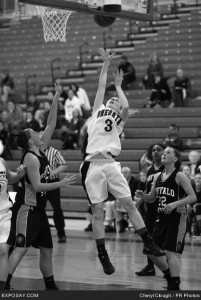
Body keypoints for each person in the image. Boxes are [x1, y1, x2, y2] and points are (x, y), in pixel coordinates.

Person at [80, 48, 165, 276]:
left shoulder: (119, 121)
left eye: (115, 101)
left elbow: (126, 107)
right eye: (112, 99)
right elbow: (100, 87)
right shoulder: (97, 111)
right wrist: (106, 65)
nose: (113, 101)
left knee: (128, 203)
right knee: (98, 211)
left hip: (110, 164)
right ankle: (103, 255)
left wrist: (119, 87)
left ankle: (148, 241)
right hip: (92, 164)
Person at [5, 83, 76, 291]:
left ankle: (50, 286)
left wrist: (56, 96)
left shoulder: (40, 147)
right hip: (28, 210)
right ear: (29, 140)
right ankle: (4, 284)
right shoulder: (31, 158)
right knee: (20, 249)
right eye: (33, 131)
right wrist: (61, 183)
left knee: (46, 249)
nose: (38, 131)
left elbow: (51, 123)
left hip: (40, 212)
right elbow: (36, 186)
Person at [135, 147, 196, 290]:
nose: (164, 154)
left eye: (168, 152)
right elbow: (151, 198)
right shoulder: (157, 176)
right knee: (150, 250)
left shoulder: (179, 175)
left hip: (177, 217)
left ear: (175, 159)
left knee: (169, 251)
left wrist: (175, 203)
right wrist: (142, 196)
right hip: (161, 218)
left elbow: (192, 196)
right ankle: (169, 274)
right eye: (164, 152)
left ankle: (174, 283)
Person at [135, 143, 165, 277]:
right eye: (153, 150)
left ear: (164, 152)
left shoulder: (168, 168)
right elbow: (148, 189)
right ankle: (150, 267)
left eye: (159, 150)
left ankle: (168, 269)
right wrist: (139, 202)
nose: (156, 152)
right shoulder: (149, 169)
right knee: (148, 239)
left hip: (164, 208)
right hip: (151, 208)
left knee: (161, 240)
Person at [0, 158, 25, 291]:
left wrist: (19, 175)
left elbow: (10, 178)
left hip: (4, 213)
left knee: (4, 250)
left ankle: (3, 288)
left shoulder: (2, 162)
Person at [44, 146, 68, 243]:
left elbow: (63, 164)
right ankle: (38, 234)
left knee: (57, 208)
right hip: (40, 183)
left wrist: (52, 173)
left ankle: (61, 234)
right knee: (38, 208)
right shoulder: (35, 150)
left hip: (53, 182)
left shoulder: (53, 151)